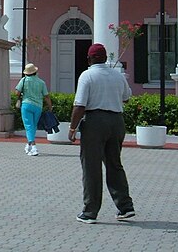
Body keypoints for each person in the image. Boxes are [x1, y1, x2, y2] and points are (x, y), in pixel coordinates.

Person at [68, 43, 136, 224]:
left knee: (91, 167)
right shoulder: (118, 75)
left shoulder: (87, 75)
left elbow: (80, 105)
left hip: (95, 121)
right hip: (116, 121)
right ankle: (125, 206)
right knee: (114, 164)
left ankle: (90, 211)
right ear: (105, 58)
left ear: (89, 59)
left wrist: (72, 128)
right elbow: (127, 97)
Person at [15, 63, 52, 156]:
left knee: (28, 126)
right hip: (38, 106)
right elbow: (46, 96)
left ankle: (33, 146)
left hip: (26, 105)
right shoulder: (41, 82)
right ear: (35, 72)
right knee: (33, 126)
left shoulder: (23, 80)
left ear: (26, 73)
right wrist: (50, 106)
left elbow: (17, 92)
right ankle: (28, 145)